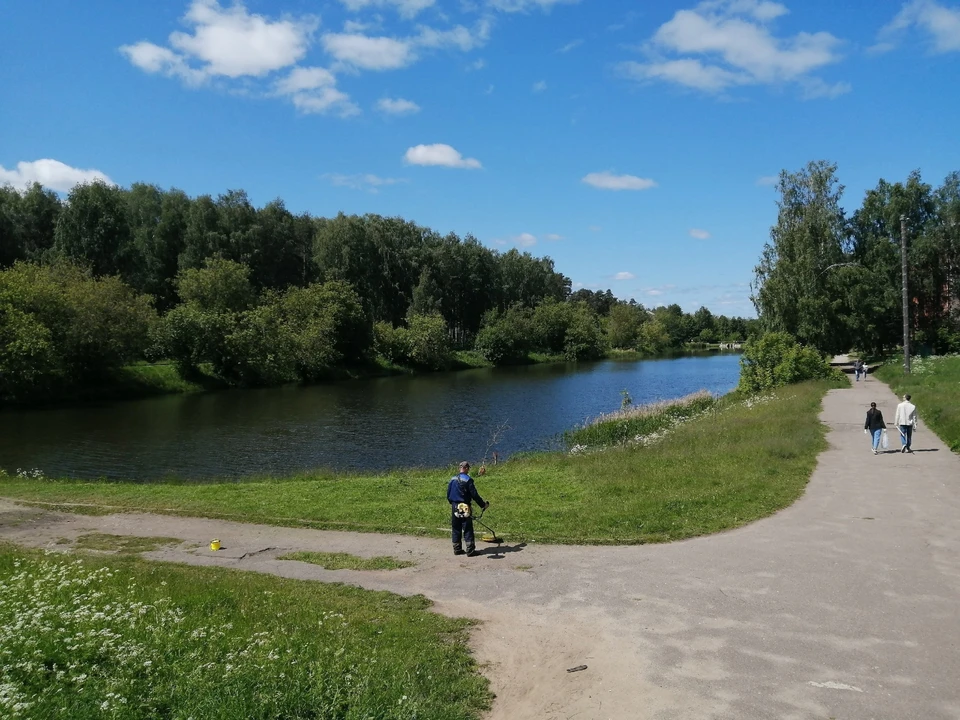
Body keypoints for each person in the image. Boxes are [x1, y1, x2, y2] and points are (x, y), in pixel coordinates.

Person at [447, 461, 489, 557]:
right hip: (465, 506)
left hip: (454, 506)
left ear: (459, 468)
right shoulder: (468, 480)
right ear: (466, 468)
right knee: (467, 528)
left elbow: (448, 494)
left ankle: (457, 549)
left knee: (456, 527)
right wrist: (483, 505)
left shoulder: (452, 479)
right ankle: (470, 550)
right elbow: (475, 495)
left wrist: (453, 503)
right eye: (468, 468)